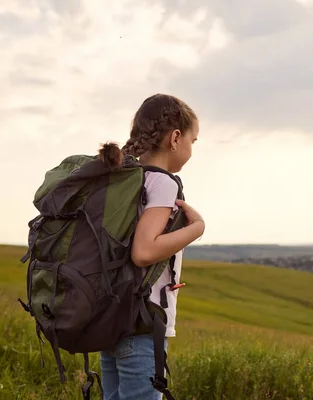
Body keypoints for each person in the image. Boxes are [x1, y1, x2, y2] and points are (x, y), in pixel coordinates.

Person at [97, 93, 205, 400]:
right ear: (175, 138)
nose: (191, 148)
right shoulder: (162, 182)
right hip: (141, 323)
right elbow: (143, 252)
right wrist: (196, 229)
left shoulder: (124, 177)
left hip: (112, 316)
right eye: (192, 140)